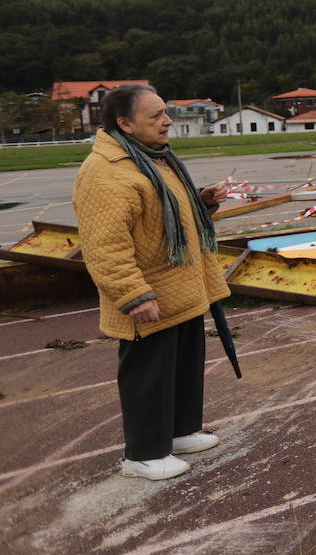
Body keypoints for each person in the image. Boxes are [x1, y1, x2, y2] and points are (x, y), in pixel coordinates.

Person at [72, 84, 231, 480]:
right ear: (124, 123)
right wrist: (132, 294)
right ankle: (143, 455)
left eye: (165, 112)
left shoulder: (152, 158)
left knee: (183, 364)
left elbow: (163, 213)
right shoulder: (105, 174)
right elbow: (105, 245)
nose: (167, 121)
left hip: (182, 288)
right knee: (149, 374)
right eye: (155, 116)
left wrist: (203, 202)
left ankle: (177, 432)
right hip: (149, 293)